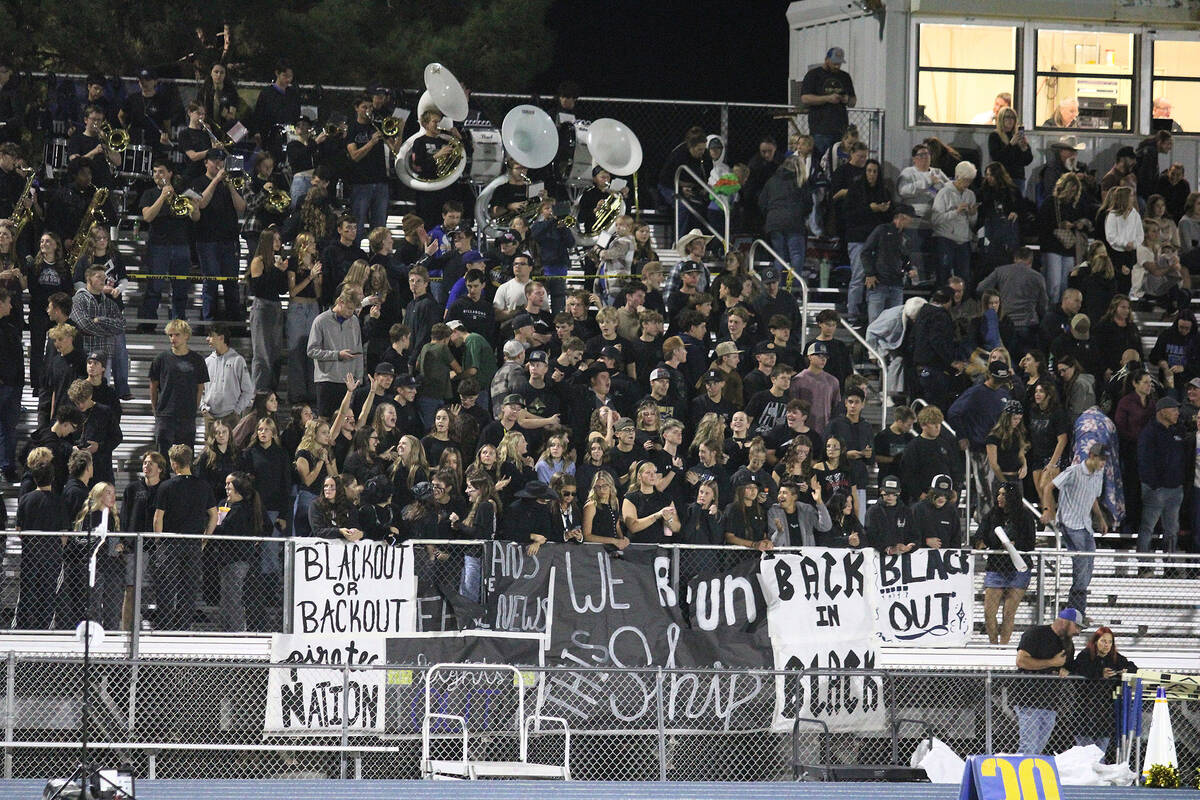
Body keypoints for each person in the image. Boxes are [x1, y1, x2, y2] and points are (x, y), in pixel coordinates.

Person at [153, 444, 219, 631]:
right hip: (193, 543)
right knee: (188, 589)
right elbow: (213, 515)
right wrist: (205, 538)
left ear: (174, 464)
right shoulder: (203, 486)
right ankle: (183, 628)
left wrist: (159, 540)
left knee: (166, 588)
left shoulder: (166, 486)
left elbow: (158, 517)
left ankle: (165, 627)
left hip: (169, 544)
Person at [1040, 444, 1109, 614]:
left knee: (1087, 569)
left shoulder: (1098, 474)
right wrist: (1048, 510)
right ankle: (1076, 611)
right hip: (1070, 523)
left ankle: (1073, 610)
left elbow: (1093, 497)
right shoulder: (1073, 471)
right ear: (1092, 456)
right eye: (1101, 459)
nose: (1103, 463)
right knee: (1081, 569)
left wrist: (1100, 518)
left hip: (1085, 525)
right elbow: (1049, 487)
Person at [1013, 608, 1083, 755]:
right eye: (1076, 626)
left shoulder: (1068, 645)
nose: (1077, 631)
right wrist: (1052, 662)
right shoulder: (1035, 634)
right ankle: (1021, 776)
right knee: (1028, 747)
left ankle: (1030, 775)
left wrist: (1066, 670)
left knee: (1037, 749)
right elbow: (1021, 661)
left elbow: (1068, 666)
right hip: (1029, 700)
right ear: (1066, 622)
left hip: (1050, 703)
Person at [139, 160, 200, 328]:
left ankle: (179, 324)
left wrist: (195, 206)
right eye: (155, 172)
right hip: (158, 246)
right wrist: (162, 196)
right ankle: (148, 324)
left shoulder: (182, 192)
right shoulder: (149, 194)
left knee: (181, 288)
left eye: (161, 171)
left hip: (181, 245)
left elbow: (195, 218)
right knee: (154, 287)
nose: (157, 175)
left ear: (170, 174)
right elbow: (148, 217)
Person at [975, 483, 1035, 645]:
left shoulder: (1025, 516)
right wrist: (980, 542)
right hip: (996, 567)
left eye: (1003, 495)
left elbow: (1030, 543)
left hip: (1018, 569)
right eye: (998, 494)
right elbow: (981, 535)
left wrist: (1015, 544)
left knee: (1008, 613)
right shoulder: (992, 515)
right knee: (989, 612)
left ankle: (1003, 647)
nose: (999, 498)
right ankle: (994, 645)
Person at [192, 149, 246, 322]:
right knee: (211, 283)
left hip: (229, 240)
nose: (218, 164)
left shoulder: (230, 183)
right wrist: (216, 180)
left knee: (231, 283)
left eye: (221, 161)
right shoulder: (198, 182)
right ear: (206, 162)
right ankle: (208, 320)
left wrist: (230, 186)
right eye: (214, 161)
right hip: (207, 240)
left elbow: (241, 207)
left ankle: (235, 321)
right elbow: (201, 203)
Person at [211, 471, 265, 632]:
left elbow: (226, 530)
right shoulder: (223, 504)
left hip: (239, 559)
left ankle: (236, 631)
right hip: (223, 558)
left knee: (234, 597)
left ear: (238, 488)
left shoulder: (244, 508)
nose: (226, 487)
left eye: (230, 484)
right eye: (226, 484)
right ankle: (224, 629)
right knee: (225, 596)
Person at [1136, 395, 1186, 569]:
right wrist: (1154, 485)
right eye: (1173, 410)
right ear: (1162, 411)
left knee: (1172, 530)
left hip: (1175, 489)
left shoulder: (1177, 431)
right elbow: (1143, 461)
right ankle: (1144, 566)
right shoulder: (1149, 433)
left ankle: (1169, 566)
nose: (1177, 413)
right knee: (1148, 527)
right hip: (1156, 490)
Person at [15, 460, 65, 629]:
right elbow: (64, 533)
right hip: (52, 554)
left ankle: (23, 627)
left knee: (28, 591)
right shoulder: (59, 501)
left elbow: (19, 529)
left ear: (34, 478)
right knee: (48, 592)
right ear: (52, 478)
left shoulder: (25, 499)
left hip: (30, 553)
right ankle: (43, 628)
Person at [1070, 627, 1137, 753]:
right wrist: (1100, 673)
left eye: (1110, 642)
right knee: (1085, 754)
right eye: (1103, 641)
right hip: (1085, 710)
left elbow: (1133, 667)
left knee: (1100, 754)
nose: (1107, 645)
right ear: (1095, 641)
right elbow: (1079, 669)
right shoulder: (1085, 655)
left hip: (1105, 713)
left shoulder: (1115, 658)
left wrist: (1125, 671)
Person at [149, 319, 209, 457]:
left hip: (187, 416)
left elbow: (200, 387)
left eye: (176, 334)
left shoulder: (197, 360)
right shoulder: (161, 359)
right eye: (170, 335)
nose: (173, 338)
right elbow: (153, 386)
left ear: (186, 335)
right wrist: (156, 409)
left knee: (186, 458)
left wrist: (194, 407)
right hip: (165, 415)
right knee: (162, 459)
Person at [307, 292, 365, 419]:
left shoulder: (354, 321)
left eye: (353, 309)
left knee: (345, 421)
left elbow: (358, 349)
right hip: (327, 381)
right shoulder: (321, 321)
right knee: (324, 420)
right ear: (340, 302)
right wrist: (337, 355)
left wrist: (359, 377)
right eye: (349, 308)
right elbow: (311, 350)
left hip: (347, 382)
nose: (351, 312)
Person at [799, 47, 856, 157]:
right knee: (819, 158)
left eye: (839, 63)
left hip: (840, 128)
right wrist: (827, 99)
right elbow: (805, 98)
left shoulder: (845, 77)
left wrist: (846, 99)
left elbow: (853, 101)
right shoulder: (814, 75)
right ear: (826, 60)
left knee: (838, 159)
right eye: (834, 63)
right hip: (820, 129)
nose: (837, 66)